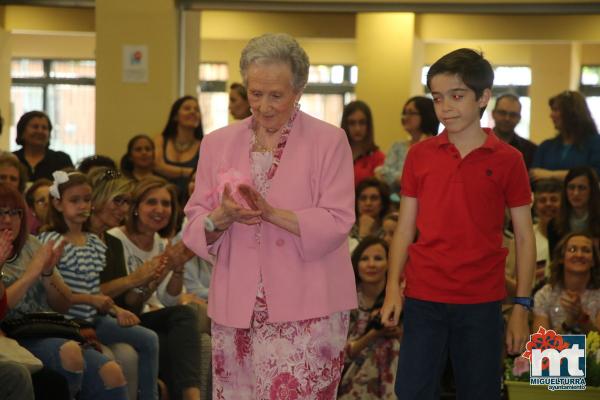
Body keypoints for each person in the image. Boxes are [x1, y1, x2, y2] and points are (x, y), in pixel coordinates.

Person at [183, 33, 357, 399]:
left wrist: (272, 214)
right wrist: (222, 216)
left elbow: (339, 219)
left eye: (276, 95)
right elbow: (195, 225)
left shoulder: (329, 140)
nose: (264, 106)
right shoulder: (217, 143)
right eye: (255, 93)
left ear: (299, 89)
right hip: (237, 309)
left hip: (310, 308)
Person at [381, 48, 535, 400]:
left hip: (481, 300)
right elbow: (405, 228)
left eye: (457, 95)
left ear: (483, 97)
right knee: (412, 391)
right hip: (423, 296)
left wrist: (522, 308)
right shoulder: (419, 155)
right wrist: (393, 287)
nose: (445, 106)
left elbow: (525, 238)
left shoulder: (510, 160)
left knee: (479, 392)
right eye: (437, 98)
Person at [39, 170, 159, 400]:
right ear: (57, 203)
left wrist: (117, 309)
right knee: (110, 366)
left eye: (87, 200)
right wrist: (94, 300)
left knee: (149, 339)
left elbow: (95, 290)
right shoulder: (51, 241)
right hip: (65, 320)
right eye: (75, 200)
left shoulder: (94, 242)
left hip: (94, 318)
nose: (83, 206)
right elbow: (55, 295)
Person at [0, 184, 128, 400]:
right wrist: (31, 274)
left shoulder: (30, 244)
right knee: (69, 353)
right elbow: (3, 309)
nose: (8, 219)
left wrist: (48, 273)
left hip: (46, 327)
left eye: (15, 212)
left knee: (112, 373)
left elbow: (63, 303)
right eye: (1, 212)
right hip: (14, 333)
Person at [107, 176, 203, 400]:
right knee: (183, 317)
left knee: (179, 327)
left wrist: (177, 269)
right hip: (120, 316)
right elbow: (125, 300)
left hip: (149, 316)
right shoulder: (115, 239)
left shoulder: (161, 243)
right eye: (151, 202)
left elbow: (168, 301)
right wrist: (145, 278)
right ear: (136, 208)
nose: (160, 209)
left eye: (166, 204)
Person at [338, 237, 401, 399]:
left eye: (378, 258)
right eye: (365, 259)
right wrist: (374, 334)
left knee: (390, 343)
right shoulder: (344, 301)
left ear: (389, 264)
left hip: (398, 375)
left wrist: (398, 332)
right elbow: (339, 354)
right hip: (352, 380)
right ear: (356, 264)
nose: (371, 264)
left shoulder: (403, 300)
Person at [532, 232, 600, 333]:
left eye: (586, 250)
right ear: (561, 258)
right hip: (557, 349)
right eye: (572, 250)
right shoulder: (544, 295)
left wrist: (582, 318)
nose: (579, 255)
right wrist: (568, 323)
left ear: (593, 260)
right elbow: (541, 345)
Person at [531, 90, 600, 180]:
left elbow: (594, 175)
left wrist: (549, 175)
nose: (551, 115)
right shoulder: (546, 146)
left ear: (572, 112)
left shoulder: (595, 144)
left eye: (556, 110)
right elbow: (534, 175)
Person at [376, 96, 439, 193]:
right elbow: (384, 172)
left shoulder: (437, 147)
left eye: (411, 113)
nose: (405, 117)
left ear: (425, 115)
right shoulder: (397, 146)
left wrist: (399, 179)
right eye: (404, 113)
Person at [153, 96, 203, 200]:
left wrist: (172, 171)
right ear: (175, 116)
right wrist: (188, 172)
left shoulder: (205, 144)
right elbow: (158, 166)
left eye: (196, 109)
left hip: (191, 200)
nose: (193, 112)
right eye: (187, 108)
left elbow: (204, 175)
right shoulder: (160, 139)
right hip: (161, 199)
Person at [546, 166, 600, 258]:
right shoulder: (553, 225)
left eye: (582, 188)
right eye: (571, 187)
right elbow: (554, 262)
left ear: (592, 191)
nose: (576, 193)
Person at [12, 111, 73, 182]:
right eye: (35, 127)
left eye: (44, 128)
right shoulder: (12, 159)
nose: (40, 131)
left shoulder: (62, 160)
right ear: (22, 132)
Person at [341, 100, 385, 186]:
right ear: (345, 124)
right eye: (352, 123)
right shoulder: (336, 155)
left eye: (362, 123)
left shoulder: (378, 158)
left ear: (368, 125)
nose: (357, 128)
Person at [491, 93, 537, 169]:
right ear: (493, 114)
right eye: (502, 113)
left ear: (519, 118)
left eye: (513, 115)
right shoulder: (477, 144)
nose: (507, 118)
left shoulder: (531, 150)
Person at [531, 178, 562, 278]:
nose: (548, 204)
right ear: (535, 207)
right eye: (542, 200)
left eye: (554, 199)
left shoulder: (573, 236)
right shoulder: (525, 237)